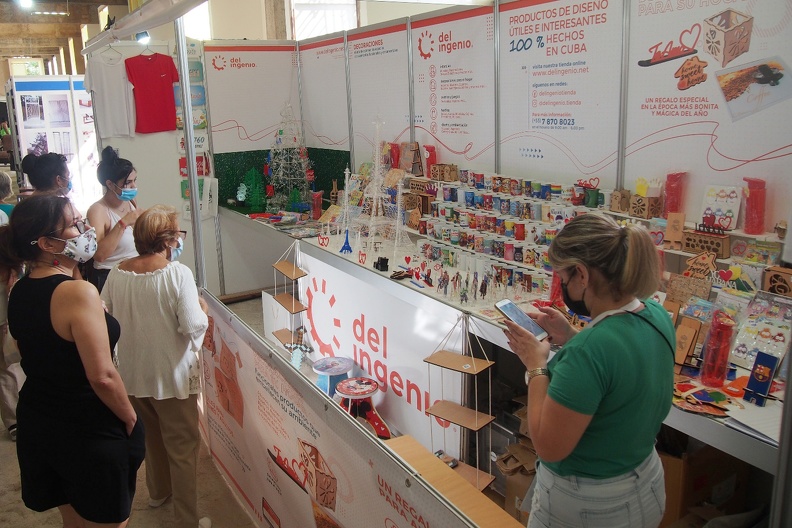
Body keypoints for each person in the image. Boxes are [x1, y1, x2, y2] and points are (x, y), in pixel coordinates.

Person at [502, 214, 675, 528]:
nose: (563, 287)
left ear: (581, 274)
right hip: (646, 483)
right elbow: (616, 365)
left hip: (591, 507)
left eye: (563, 279)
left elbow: (548, 447)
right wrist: (570, 335)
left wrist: (536, 365)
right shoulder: (656, 315)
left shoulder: (587, 352)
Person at [0, 194, 144, 527]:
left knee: (74, 520)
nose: (87, 229)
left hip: (40, 418)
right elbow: (102, 375)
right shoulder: (77, 293)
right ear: (48, 244)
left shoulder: (20, 289)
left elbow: (27, 348)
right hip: (87, 425)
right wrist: (131, 419)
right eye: (76, 225)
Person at [101, 205, 211, 528]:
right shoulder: (178, 274)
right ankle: (187, 519)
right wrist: (203, 310)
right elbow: (192, 325)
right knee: (182, 447)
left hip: (132, 373)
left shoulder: (117, 273)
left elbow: (105, 314)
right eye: (178, 235)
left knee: (151, 438)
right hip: (171, 375)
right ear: (168, 240)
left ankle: (158, 491)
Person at [86, 146, 141, 291]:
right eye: (128, 182)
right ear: (110, 184)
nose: (134, 186)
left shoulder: (130, 202)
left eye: (135, 180)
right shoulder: (98, 210)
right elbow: (99, 255)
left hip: (133, 273)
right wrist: (123, 223)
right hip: (109, 277)